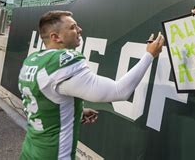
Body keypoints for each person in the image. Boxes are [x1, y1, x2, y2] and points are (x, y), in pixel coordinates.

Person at [18, 10, 164, 160]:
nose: (80, 30)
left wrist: (76, 112)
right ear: (56, 37)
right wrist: (149, 55)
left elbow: (43, 103)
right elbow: (120, 91)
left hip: (29, 151)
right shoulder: (62, 62)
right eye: (73, 27)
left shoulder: (33, 60)